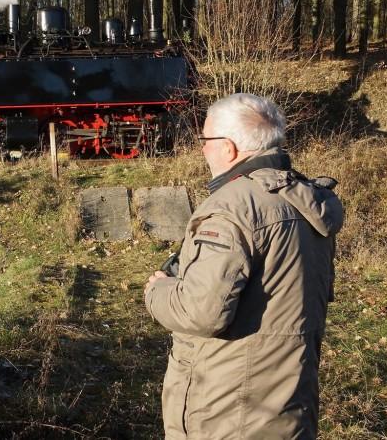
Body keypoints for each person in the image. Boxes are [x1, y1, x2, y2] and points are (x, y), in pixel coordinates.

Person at [144, 93, 344, 439]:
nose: (202, 149)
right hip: (289, 408)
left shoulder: (231, 209)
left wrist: (157, 290)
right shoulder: (309, 202)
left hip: (228, 412)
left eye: (205, 140)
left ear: (228, 148)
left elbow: (200, 312)